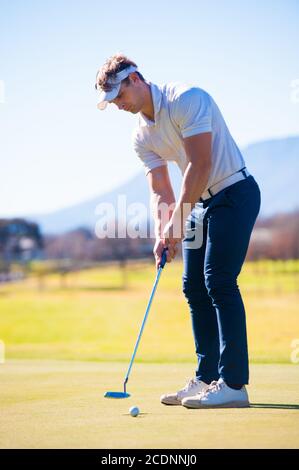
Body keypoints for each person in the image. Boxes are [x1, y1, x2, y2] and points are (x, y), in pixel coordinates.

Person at [95, 53, 261, 409]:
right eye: (112, 102)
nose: (119, 105)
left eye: (120, 96)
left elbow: (199, 164)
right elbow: (160, 187)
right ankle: (206, 378)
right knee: (193, 287)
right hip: (199, 204)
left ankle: (233, 384)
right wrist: (163, 231)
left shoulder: (186, 98)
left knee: (218, 281)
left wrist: (177, 221)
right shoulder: (141, 136)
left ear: (135, 79)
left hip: (234, 192)